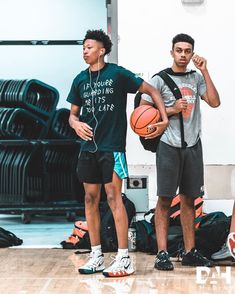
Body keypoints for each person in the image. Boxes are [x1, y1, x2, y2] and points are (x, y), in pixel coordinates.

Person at [67, 29, 168, 277]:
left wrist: (163, 119)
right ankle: (96, 254)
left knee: (114, 198)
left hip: (112, 148)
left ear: (102, 50)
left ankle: (124, 258)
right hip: (88, 148)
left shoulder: (118, 74)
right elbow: (72, 114)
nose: (84, 50)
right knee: (90, 199)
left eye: (89, 47)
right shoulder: (80, 79)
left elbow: (152, 90)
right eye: (83, 47)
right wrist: (76, 123)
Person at [140, 33, 220, 270]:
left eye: (187, 51)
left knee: (189, 200)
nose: (183, 55)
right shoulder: (159, 80)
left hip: (193, 146)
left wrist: (205, 70)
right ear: (172, 51)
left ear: (192, 53)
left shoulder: (196, 78)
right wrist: (172, 109)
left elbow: (215, 102)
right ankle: (162, 253)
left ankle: (190, 251)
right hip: (168, 145)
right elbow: (145, 109)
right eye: (179, 50)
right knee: (164, 200)